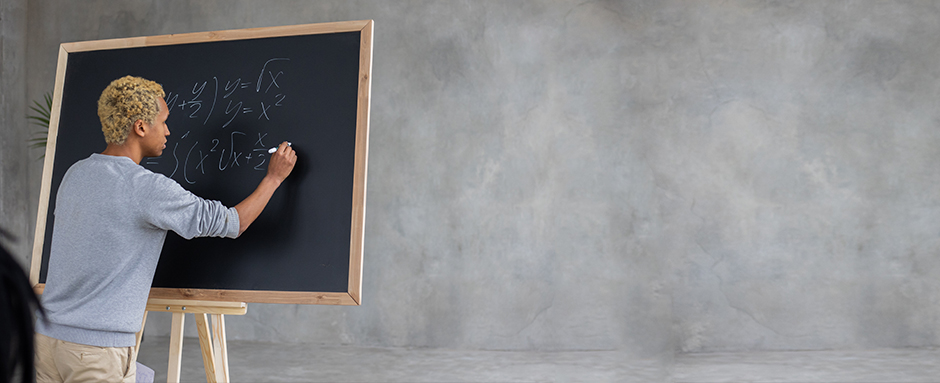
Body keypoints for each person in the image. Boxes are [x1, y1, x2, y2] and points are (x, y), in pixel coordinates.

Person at [34, 76, 296, 382]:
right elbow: (232, 223)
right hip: (96, 350)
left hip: (45, 340)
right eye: (163, 121)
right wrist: (274, 179)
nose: (168, 130)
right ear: (141, 127)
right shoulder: (145, 187)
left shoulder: (75, 174)